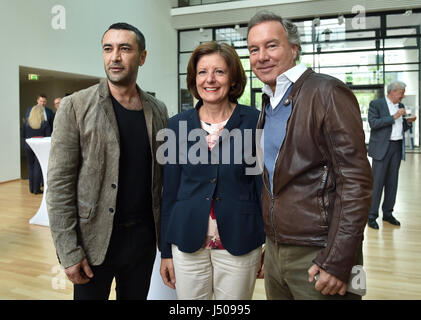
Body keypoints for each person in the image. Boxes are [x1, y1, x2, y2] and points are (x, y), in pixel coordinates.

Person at [247, 10, 373, 300]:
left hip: (321, 253)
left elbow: (356, 182)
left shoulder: (327, 92)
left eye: (271, 45)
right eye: (254, 49)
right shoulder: (271, 100)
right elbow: (277, 179)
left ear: (294, 48)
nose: (261, 56)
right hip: (280, 251)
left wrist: (339, 260)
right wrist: (273, 244)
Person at [46, 22, 168, 300]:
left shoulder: (158, 110)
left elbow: (160, 177)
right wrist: (68, 251)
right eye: (108, 49)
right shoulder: (76, 106)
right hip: (92, 243)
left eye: (125, 49)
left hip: (143, 241)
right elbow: (59, 185)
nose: (115, 57)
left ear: (142, 57)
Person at [159, 41, 265, 300]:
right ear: (194, 79)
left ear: (233, 79)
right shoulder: (176, 125)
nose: (210, 79)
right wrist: (165, 252)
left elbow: (262, 188)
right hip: (187, 242)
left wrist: (268, 244)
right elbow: (169, 192)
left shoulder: (255, 121)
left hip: (240, 241)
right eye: (202, 72)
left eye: (219, 71)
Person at [367, 81, 417, 229]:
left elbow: (402, 128)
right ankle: (371, 216)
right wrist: (394, 116)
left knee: (392, 183)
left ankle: (388, 213)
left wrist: (408, 122)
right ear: (393, 92)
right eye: (401, 92)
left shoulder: (400, 106)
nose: (403, 96)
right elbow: (373, 123)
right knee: (377, 184)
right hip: (382, 148)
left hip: (396, 147)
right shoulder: (376, 104)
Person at [22, 104, 52, 194]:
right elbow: (48, 136)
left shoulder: (26, 123)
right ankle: (36, 189)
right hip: (40, 147)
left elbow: (22, 135)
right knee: (37, 167)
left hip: (28, 147)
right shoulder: (44, 123)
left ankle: (31, 188)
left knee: (30, 167)